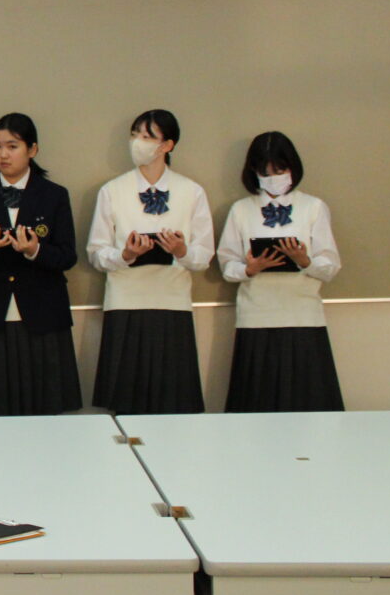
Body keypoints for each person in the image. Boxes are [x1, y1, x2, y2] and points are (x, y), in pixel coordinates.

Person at [0, 113, 81, 415]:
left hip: (43, 311)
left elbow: (68, 255)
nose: (3, 154)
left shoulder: (54, 195)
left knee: (47, 405)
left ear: (32, 150)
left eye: (12, 146)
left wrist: (36, 250)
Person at [87, 109, 213, 413]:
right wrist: (126, 255)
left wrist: (181, 251)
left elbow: (204, 256)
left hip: (172, 305)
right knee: (126, 404)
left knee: (174, 403)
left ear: (167, 145)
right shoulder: (112, 191)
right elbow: (96, 253)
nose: (137, 143)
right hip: (125, 305)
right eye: (134, 135)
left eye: (146, 137)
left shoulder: (192, 191)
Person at [218, 131, 344, 411]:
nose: (273, 177)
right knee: (256, 407)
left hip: (303, 318)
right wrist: (250, 269)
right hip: (256, 318)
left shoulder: (313, 207)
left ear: (293, 168)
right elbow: (227, 266)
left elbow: (331, 266)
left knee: (307, 406)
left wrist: (305, 261)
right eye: (265, 171)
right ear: (254, 171)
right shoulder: (241, 210)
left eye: (280, 169)